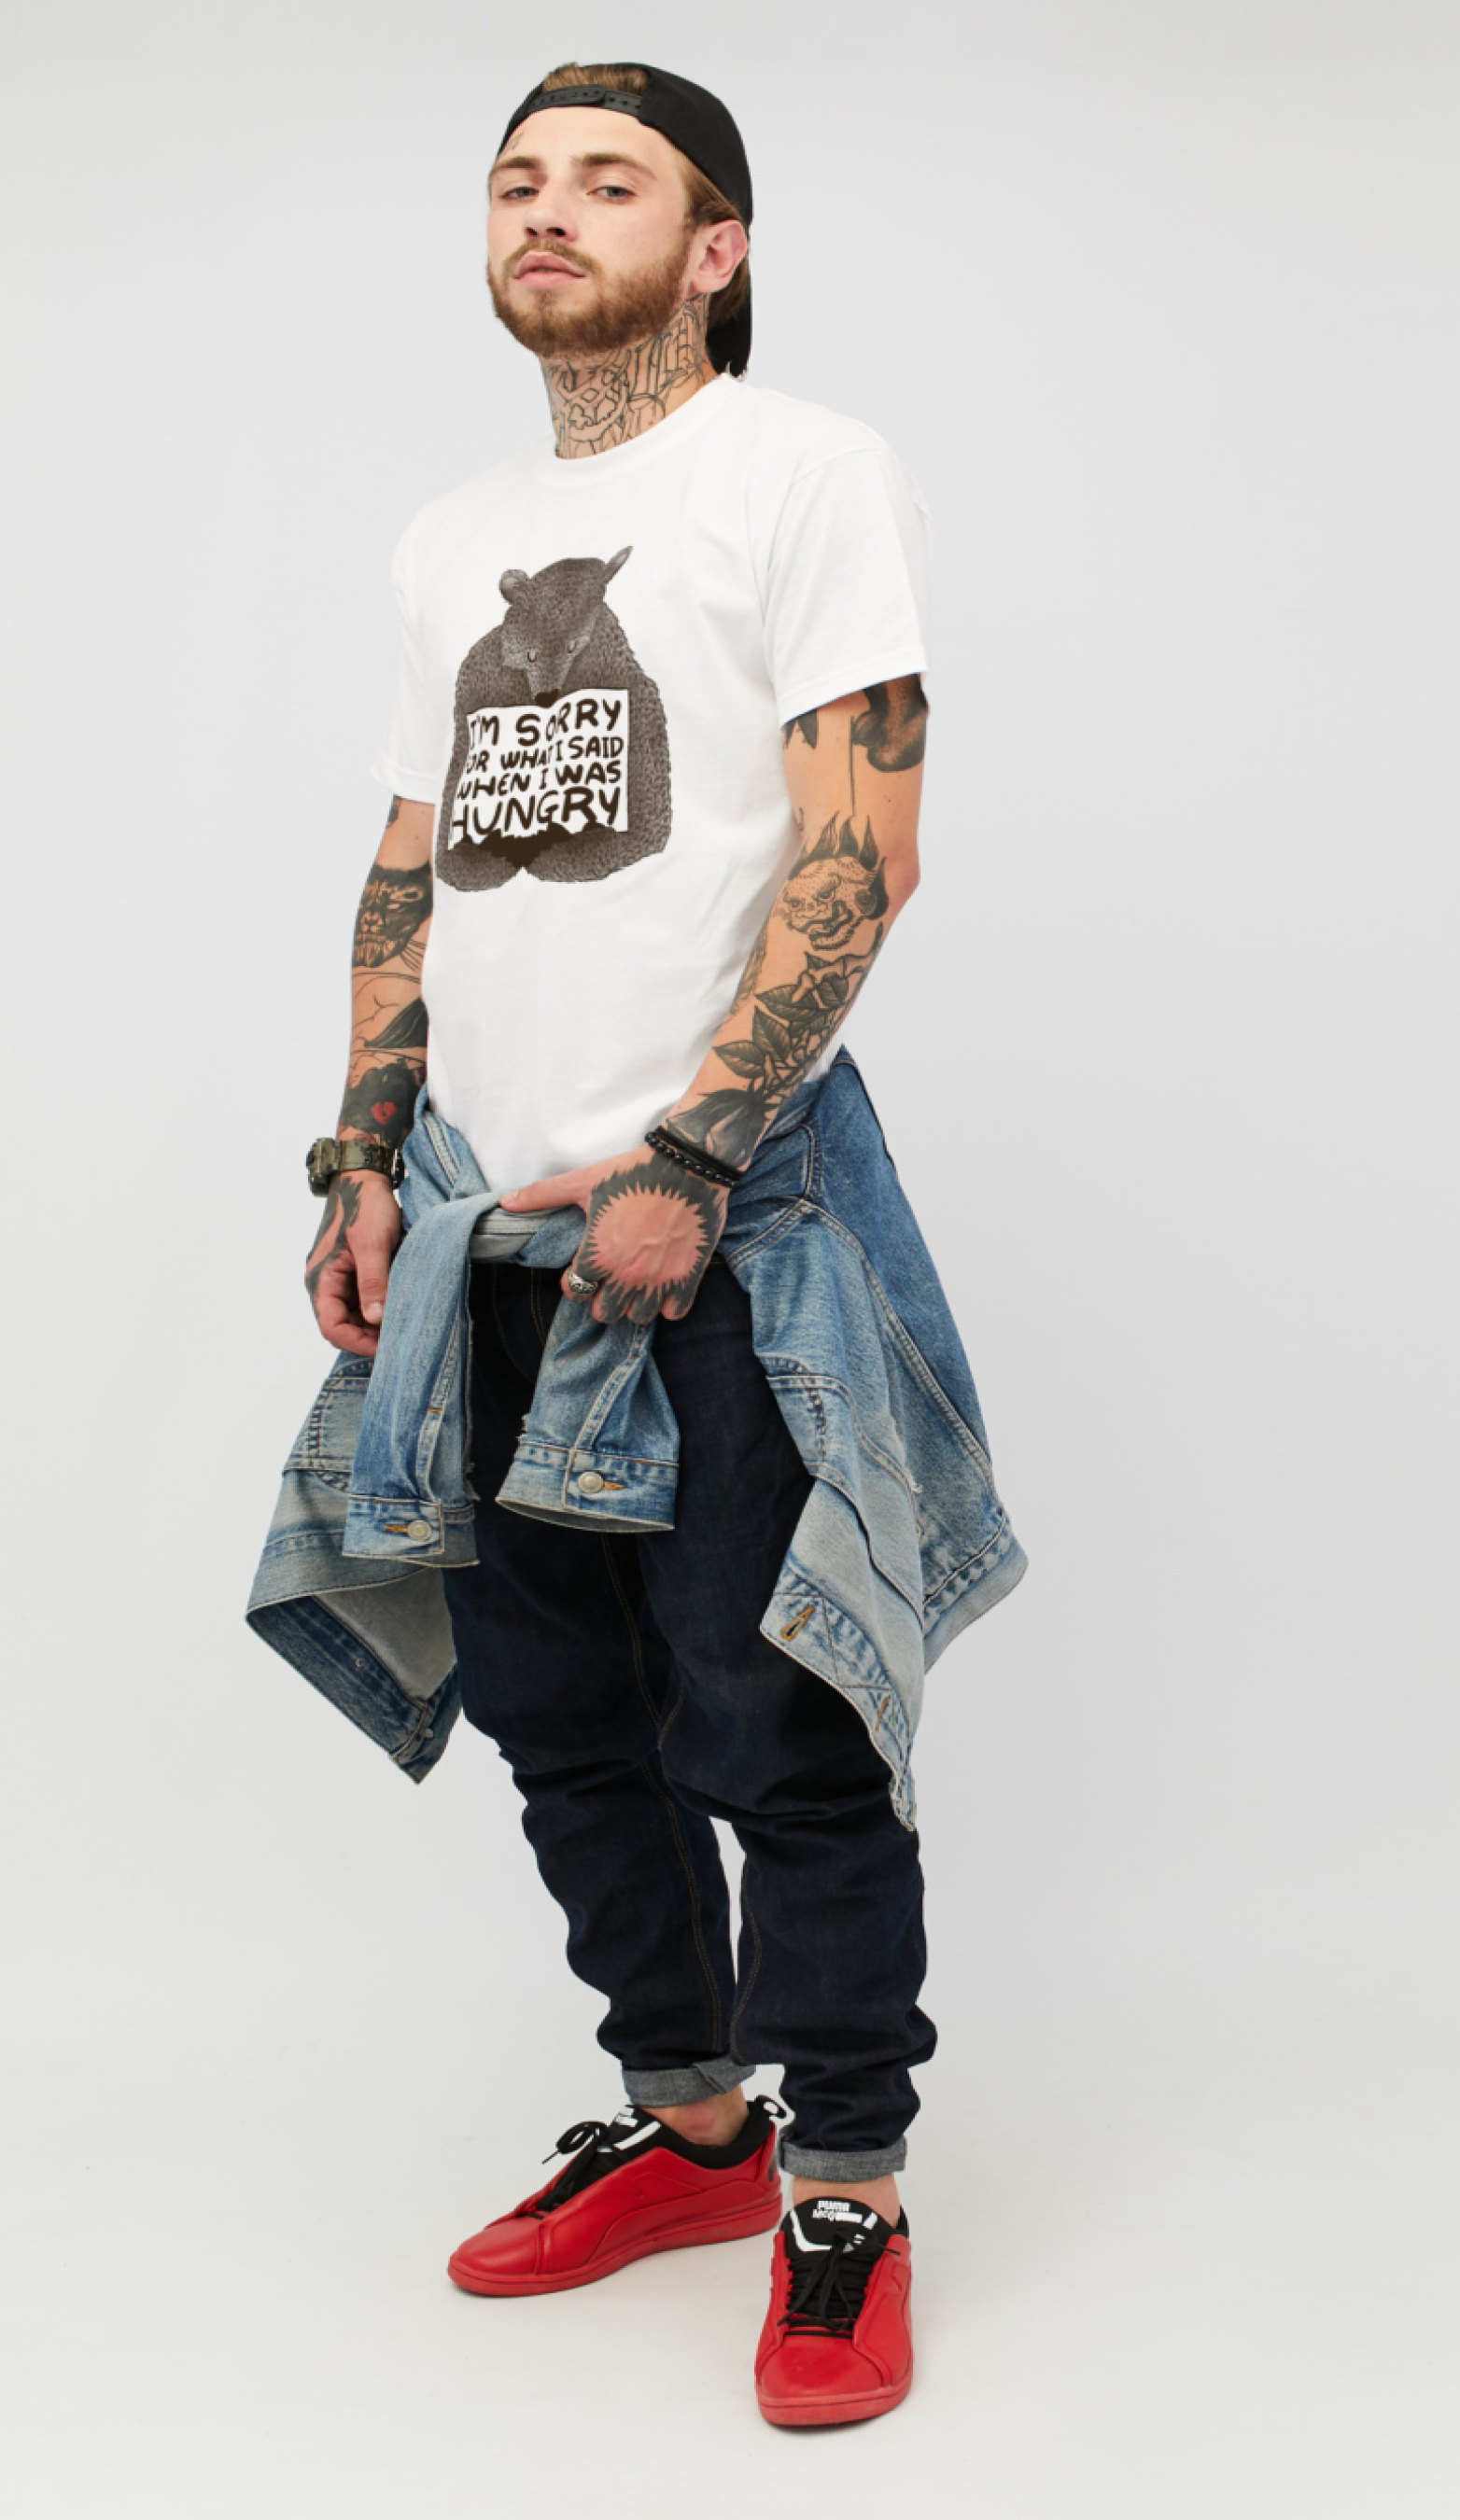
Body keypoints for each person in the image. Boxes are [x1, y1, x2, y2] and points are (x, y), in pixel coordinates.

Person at [278, 60, 1024, 2429]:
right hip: (484, 1227)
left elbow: (862, 845)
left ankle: (846, 2191)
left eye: (608, 181)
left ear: (714, 247)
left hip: (725, 1216)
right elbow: (410, 866)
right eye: (516, 179)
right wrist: (365, 1149)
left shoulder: (800, 471)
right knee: (558, 1719)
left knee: (776, 1716)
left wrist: (694, 1154)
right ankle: (698, 2134)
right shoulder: (451, 536)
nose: (546, 210)